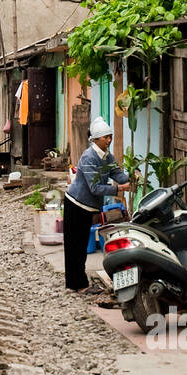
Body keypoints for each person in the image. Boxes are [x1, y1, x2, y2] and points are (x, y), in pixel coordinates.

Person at [63, 118, 131, 293]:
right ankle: (77, 284)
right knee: (75, 246)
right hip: (76, 204)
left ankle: (79, 282)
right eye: (105, 138)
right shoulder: (88, 157)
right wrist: (119, 188)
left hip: (87, 206)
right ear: (95, 140)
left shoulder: (107, 156)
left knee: (82, 244)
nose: (109, 140)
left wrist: (131, 178)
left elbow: (117, 173)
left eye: (110, 137)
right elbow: (95, 188)